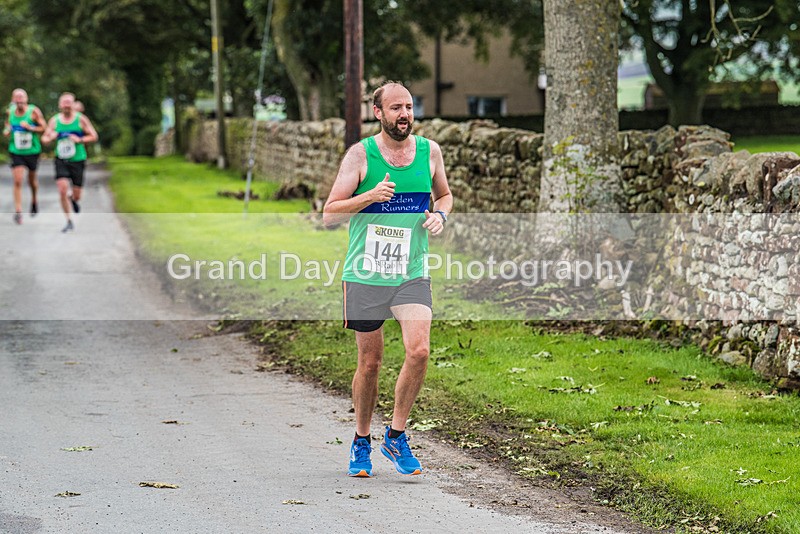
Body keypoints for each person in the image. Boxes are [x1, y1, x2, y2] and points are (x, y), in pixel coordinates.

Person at [323, 81, 453, 477]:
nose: (405, 115)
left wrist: (440, 216)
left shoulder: (430, 152)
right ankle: (361, 441)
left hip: (410, 271)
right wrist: (369, 196)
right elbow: (329, 214)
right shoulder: (360, 155)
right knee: (371, 362)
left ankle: (395, 437)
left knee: (419, 351)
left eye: (409, 107)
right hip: (365, 273)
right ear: (377, 112)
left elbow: (445, 195)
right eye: (396, 107)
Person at [41, 93, 98, 232]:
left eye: (69, 103)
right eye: (64, 103)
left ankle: (73, 199)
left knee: (77, 194)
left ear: (73, 105)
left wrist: (80, 139)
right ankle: (68, 220)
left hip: (78, 159)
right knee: (62, 189)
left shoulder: (81, 120)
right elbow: (44, 138)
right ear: (60, 105)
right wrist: (51, 137)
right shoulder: (55, 121)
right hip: (61, 159)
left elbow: (94, 136)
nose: (66, 106)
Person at [2, 89, 47, 224]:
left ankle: (34, 199)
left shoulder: (33, 111)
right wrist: (7, 130)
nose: (19, 101)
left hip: (32, 151)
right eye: (17, 98)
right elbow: (7, 126)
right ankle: (18, 211)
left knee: (31, 180)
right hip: (16, 150)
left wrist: (30, 128)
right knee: (18, 180)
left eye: (21, 98)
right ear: (13, 100)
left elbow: (43, 127)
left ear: (26, 99)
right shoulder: (10, 112)